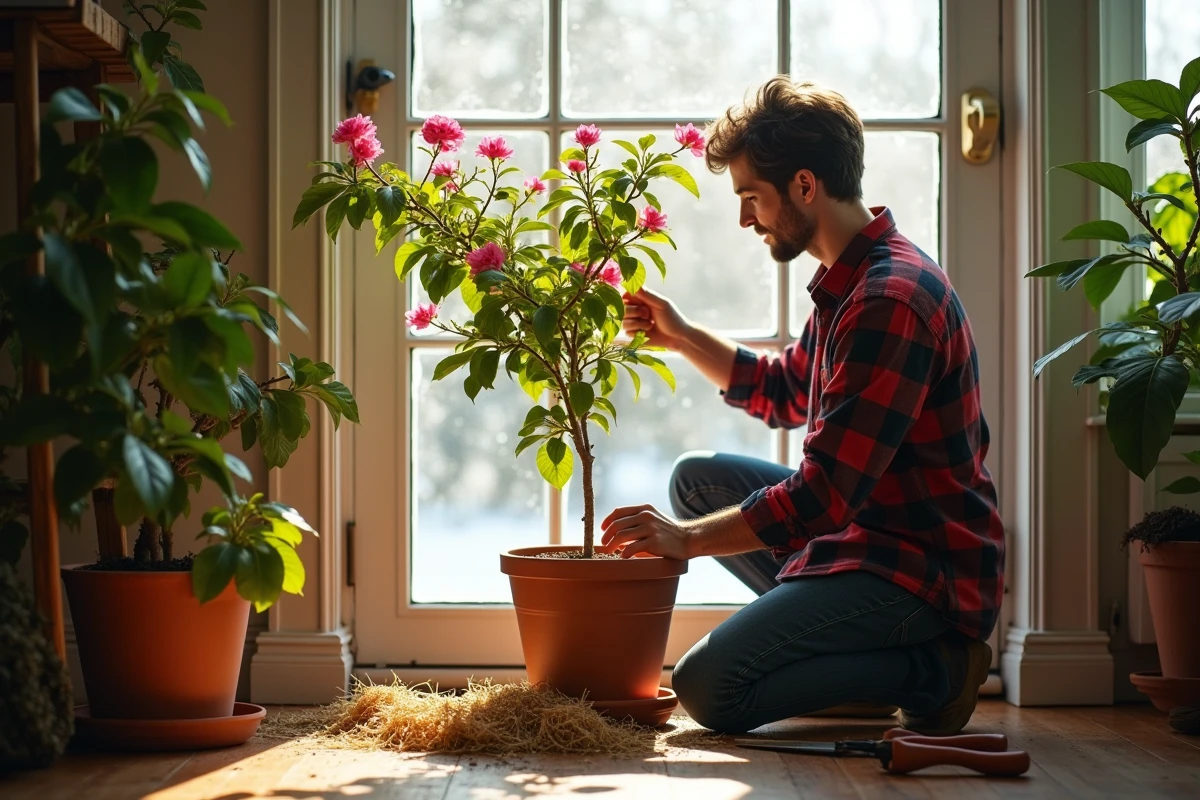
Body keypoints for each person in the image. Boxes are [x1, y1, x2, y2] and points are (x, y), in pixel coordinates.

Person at [599, 77, 1005, 736]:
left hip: (918, 570)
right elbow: (785, 389)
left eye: (751, 198)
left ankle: (934, 670)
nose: (744, 219)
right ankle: (856, 655)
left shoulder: (886, 300)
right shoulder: (852, 278)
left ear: (805, 187)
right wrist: (678, 334)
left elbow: (821, 499)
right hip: (864, 538)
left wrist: (688, 542)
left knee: (708, 686)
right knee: (697, 482)